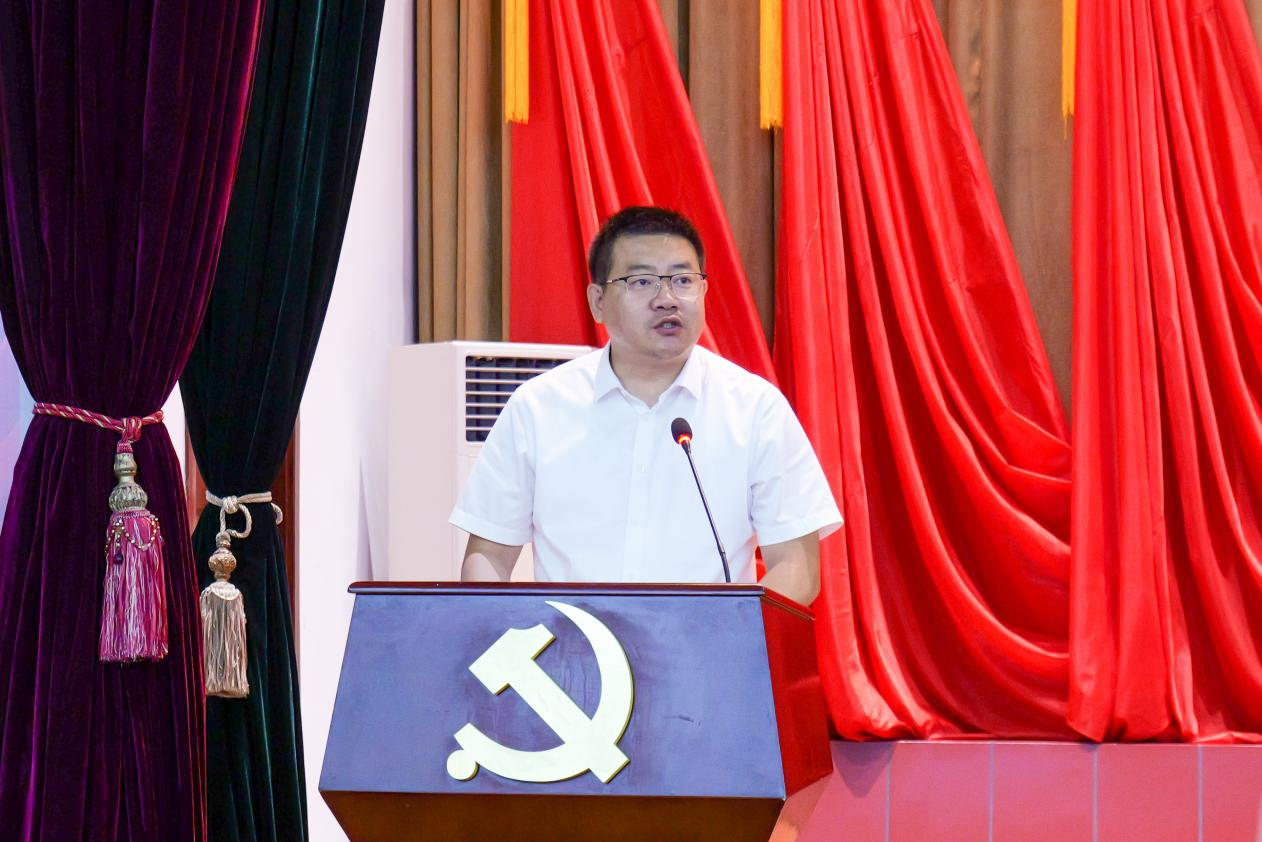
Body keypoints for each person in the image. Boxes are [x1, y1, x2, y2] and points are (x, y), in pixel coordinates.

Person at [450, 206, 841, 605]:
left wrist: (730, 631)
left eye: (683, 280)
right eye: (641, 282)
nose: (666, 299)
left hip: (704, 642)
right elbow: (489, 556)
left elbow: (797, 566)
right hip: (570, 641)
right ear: (598, 301)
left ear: (704, 292)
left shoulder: (756, 409)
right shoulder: (538, 407)